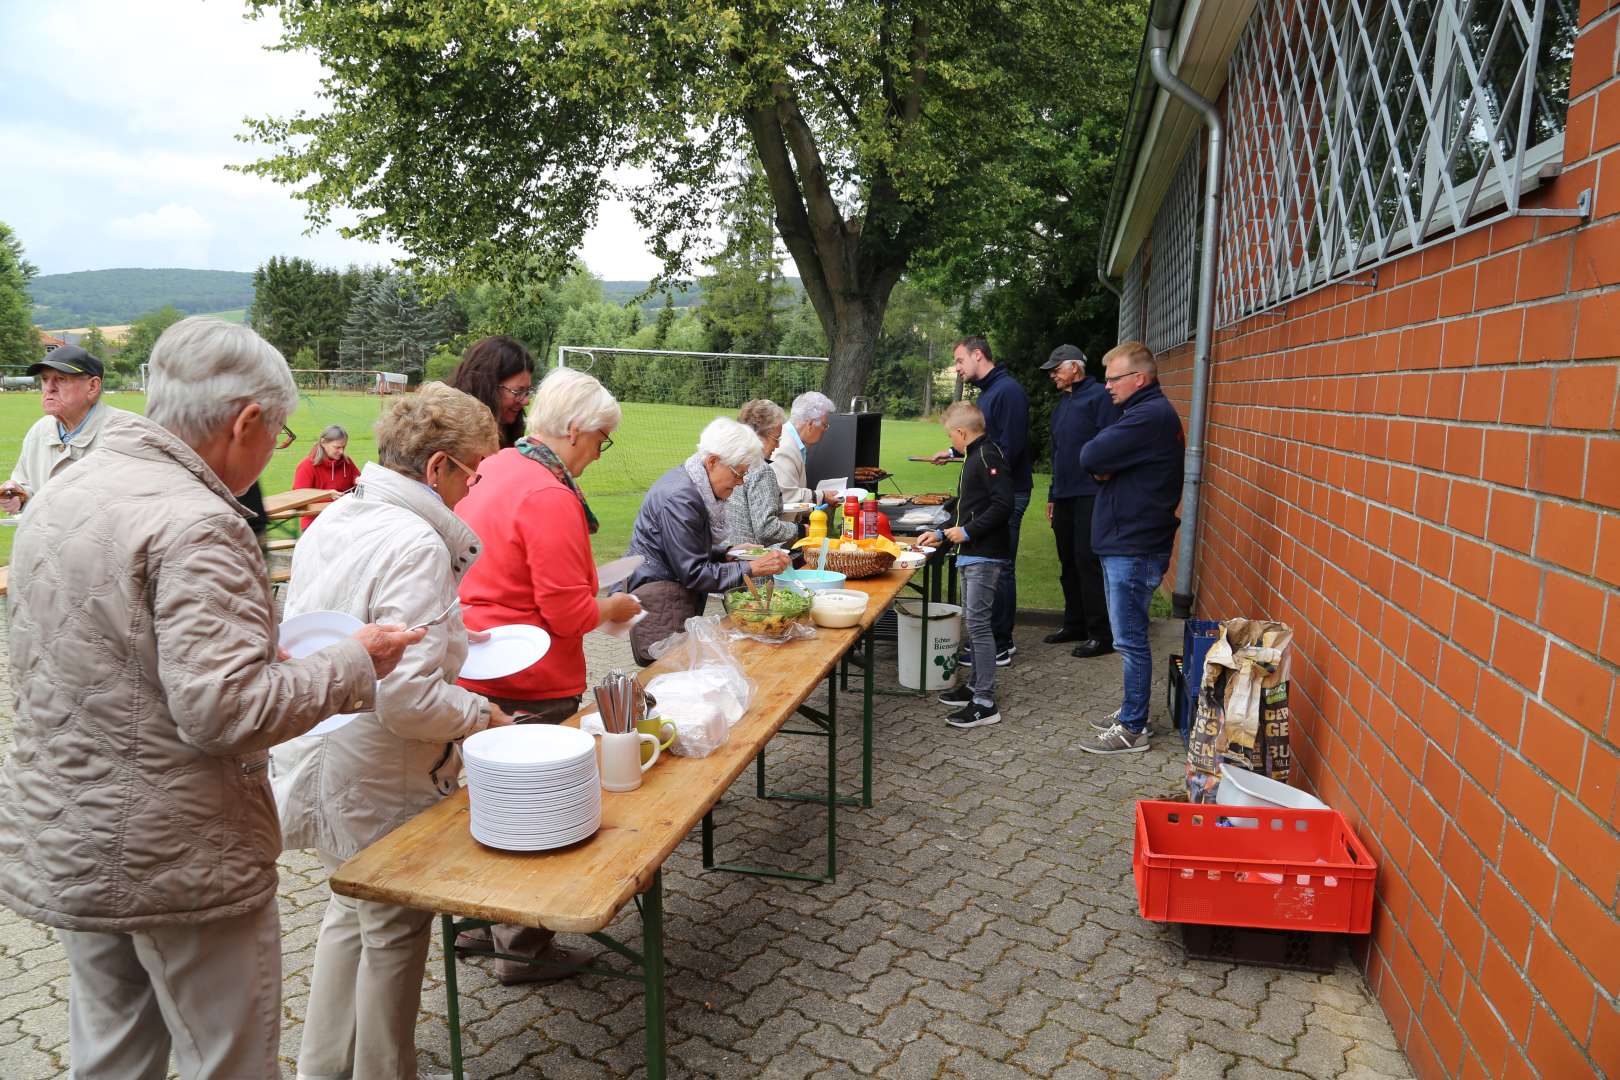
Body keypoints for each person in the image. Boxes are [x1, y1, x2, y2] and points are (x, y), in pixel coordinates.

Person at [0, 316, 420, 1079]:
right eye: (279, 434)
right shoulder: (198, 521)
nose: (273, 453)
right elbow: (224, 711)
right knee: (224, 1060)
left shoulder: (65, 489)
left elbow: (115, 655)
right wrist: (356, 659)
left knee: (112, 1053)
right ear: (246, 420)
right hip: (179, 856)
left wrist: (255, 654)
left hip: (70, 831)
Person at [272, 383, 512, 1080]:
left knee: (350, 916)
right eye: (473, 471)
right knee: (393, 931)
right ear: (437, 467)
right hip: (377, 764)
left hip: (330, 746)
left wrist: (456, 645)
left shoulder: (341, 514)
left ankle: (324, 1070)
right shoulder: (415, 540)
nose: (474, 487)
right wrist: (479, 715)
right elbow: (405, 697)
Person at [453, 365, 641, 983]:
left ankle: (477, 924)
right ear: (577, 430)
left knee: (484, 793)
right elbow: (566, 612)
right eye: (600, 440)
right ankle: (523, 947)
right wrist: (611, 607)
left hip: (477, 657)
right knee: (530, 806)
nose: (596, 454)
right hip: (531, 669)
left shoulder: (501, 464)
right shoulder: (549, 493)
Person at [1077, 341, 1186, 755]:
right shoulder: (1142, 414)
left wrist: (1105, 466)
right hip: (1128, 541)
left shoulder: (1147, 416)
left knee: (1130, 640)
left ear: (1138, 378)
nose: (1106, 387)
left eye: (1113, 379)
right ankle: (1130, 710)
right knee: (1129, 637)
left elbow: (1091, 453)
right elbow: (1099, 460)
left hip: (1134, 545)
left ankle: (1134, 727)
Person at [624, 417, 790, 665]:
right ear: (712, 461)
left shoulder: (690, 485)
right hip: (660, 602)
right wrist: (751, 567)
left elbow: (682, 546)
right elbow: (693, 572)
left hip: (668, 595)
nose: (741, 482)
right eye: (738, 473)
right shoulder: (682, 499)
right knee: (669, 674)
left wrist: (726, 553)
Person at [931, 336, 1030, 666]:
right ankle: (990, 637)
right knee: (992, 566)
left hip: (1005, 493)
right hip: (992, 490)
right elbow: (980, 439)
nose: (957, 369)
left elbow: (1008, 448)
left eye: (959, 361)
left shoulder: (1008, 391)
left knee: (999, 566)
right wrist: (953, 451)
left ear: (978, 355)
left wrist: (983, 472)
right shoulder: (990, 392)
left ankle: (999, 641)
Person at [919, 401, 1013, 729]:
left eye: (951, 436)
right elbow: (969, 505)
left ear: (961, 432)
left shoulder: (987, 456)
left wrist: (967, 531)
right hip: (971, 552)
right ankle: (974, 685)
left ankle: (985, 701)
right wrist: (942, 533)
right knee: (974, 623)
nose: (951, 442)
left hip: (984, 554)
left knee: (978, 625)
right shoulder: (974, 456)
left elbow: (1004, 504)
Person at [1041, 344, 1121, 657]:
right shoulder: (1062, 404)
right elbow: (1057, 453)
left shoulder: (1100, 397)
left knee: (1088, 561)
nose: (1052, 374)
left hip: (1091, 493)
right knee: (1068, 561)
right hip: (1064, 494)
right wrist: (1052, 493)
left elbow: (1111, 440)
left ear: (1075, 367)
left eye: (1056, 368)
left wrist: (1102, 479)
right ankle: (1074, 622)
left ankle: (1101, 633)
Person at [0, 345, 128, 514]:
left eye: (61, 379)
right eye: (45, 379)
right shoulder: (39, 430)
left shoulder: (125, 434)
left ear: (93, 387)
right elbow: (28, 485)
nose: (49, 388)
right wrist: (20, 496)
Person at [727, 399, 801, 547]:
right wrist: (799, 530)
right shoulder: (761, 469)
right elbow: (766, 529)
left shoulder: (728, 460)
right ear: (758, 435)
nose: (778, 445)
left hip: (728, 555)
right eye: (776, 438)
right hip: (751, 561)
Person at [447, 335, 535, 448]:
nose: (526, 401)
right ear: (487, 387)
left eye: (527, 391)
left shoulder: (509, 428)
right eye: (518, 391)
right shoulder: (451, 438)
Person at [771, 390, 840, 505]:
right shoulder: (785, 448)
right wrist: (822, 496)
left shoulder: (794, 442)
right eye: (824, 425)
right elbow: (788, 496)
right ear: (810, 424)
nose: (825, 429)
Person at [291, 423, 361, 529]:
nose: (341, 451)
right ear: (323, 442)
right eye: (337, 447)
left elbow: (356, 480)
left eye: (343, 447)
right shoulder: (306, 466)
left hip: (343, 519)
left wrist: (359, 481)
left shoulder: (347, 462)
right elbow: (298, 498)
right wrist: (326, 495)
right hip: (315, 523)